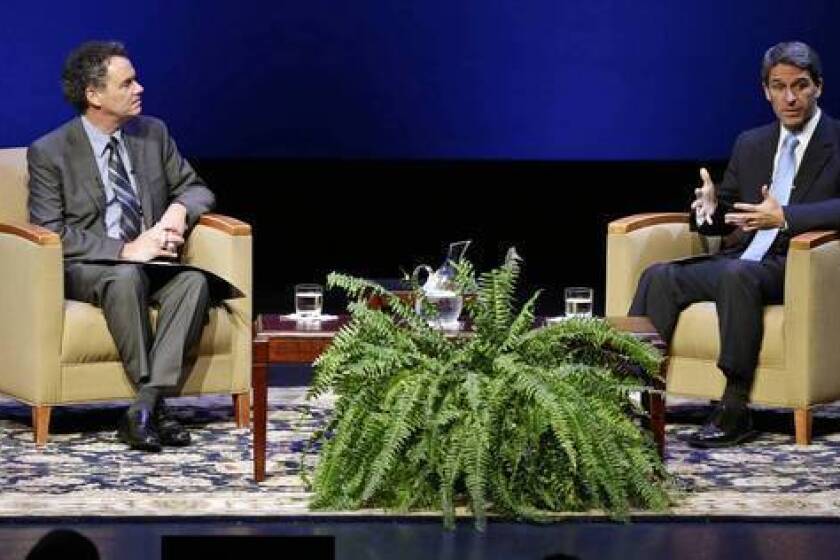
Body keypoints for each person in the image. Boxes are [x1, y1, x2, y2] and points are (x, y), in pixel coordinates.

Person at [630, 41, 840, 448]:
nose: (790, 97)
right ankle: (637, 397)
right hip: (745, 258)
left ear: (819, 87)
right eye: (779, 87)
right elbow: (729, 213)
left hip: (799, 266)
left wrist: (787, 218)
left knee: (737, 274)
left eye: (800, 85)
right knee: (660, 277)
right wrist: (709, 210)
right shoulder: (751, 143)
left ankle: (735, 406)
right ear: (766, 91)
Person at [27, 41, 215, 452]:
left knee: (194, 283)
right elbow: (50, 229)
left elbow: (197, 188)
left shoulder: (153, 133)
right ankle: (154, 409)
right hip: (91, 267)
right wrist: (125, 249)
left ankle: (144, 407)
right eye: (127, 82)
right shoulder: (50, 152)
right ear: (94, 95)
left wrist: (178, 211)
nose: (140, 88)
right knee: (126, 275)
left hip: (153, 262)